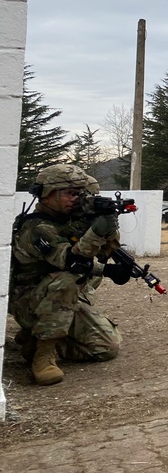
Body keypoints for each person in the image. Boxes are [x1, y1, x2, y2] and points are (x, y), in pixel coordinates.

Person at [9, 164, 132, 385]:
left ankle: (33, 337)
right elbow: (71, 262)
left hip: (53, 296)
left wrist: (107, 236)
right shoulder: (36, 229)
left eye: (81, 193)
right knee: (70, 278)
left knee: (106, 348)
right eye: (70, 193)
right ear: (47, 194)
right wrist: (95, 232)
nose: (77, 199)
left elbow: (102, 253)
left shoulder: (67, 222)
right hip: (27, 301)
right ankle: (43, 354)